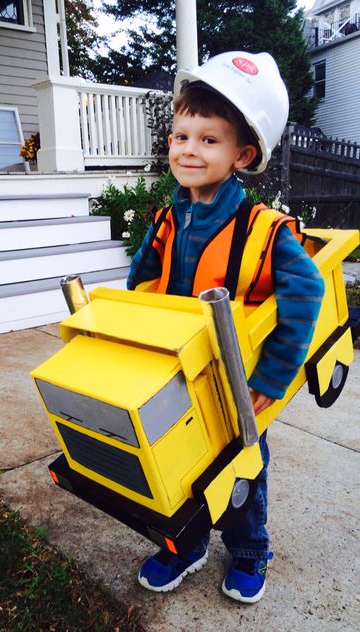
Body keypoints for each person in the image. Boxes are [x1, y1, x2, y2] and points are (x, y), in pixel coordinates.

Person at [127, 51, 325, 603]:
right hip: (176, 369)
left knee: (240, 467)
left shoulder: (263, 229)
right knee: (171, 457)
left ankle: (248, 548)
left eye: (208, 140)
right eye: (180, 136)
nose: (189, 149)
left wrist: (271, 378)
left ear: (243, 154)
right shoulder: (168, 218)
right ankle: (183, 545)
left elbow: (306, 292)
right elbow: (139, 280)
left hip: (237, 379)